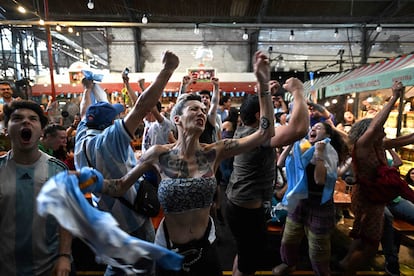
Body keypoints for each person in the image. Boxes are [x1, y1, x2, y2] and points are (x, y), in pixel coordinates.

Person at [76, 51, 275, 275]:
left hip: (205, 251)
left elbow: (265, 133)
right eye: (194, 109)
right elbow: (121, 185)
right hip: (169, 253)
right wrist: (93, 182)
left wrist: (263, 84)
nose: (201, 113)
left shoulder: (216, 152)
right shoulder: (158, 155)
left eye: (202, 110)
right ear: (177, 120)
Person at [74, 51, 179, 276]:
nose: (117, 119)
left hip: (104, 219)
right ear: (109, 124)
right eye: (114, 118)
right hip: (131, 220)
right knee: (146, 266)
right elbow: (141, 107)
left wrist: (88, 88)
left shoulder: (82, 136)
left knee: (117, 264)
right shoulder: (110, 139)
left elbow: (84, 110)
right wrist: (167, 70)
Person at [226, 77, 310, 276]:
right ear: (259, 115)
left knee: (244, 252)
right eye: (270, 108)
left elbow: (261, 114)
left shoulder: (243, 127)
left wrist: (264, 94)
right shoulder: (260, 136)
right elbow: (299, 129)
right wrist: (298, 91)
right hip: (246, 211)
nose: (274, 112)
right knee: (249, 263)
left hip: (238, 204)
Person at [338, 81, 414, 275]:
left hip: (374, 199)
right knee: (369, 246)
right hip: (367, 200)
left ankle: (345, 267)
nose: (384, 131)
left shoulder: (378, 145)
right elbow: (374, 127)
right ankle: (348, 268)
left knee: (362, 240)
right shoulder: (363, 146)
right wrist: (395, 96)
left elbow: (408, 139)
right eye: (381, 129)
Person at [0, 100, 72, 275]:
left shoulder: (57, 170)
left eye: (33, 118)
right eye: (17, 118)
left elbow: (66, 217)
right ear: (6, 130)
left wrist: (64, 256)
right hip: (7, 267)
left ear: (41, 132)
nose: (26, 122)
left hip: (50, 267)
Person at [272, 122, 348, 276]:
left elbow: (320, 180)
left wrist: (319, 154)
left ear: (327, 136)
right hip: (300, 201)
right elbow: (280, 163)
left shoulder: (329, 153)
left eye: (318, 128)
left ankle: (322, 272)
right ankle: (288, 264)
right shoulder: (303, 148)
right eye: (312, 128)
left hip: (320, 204)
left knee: (318, 246)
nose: (313, 129)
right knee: (289, 239)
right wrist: (291, 144)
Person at [382, 166, 414, 276]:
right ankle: (391, 261)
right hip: (377, 198)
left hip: (395, 199)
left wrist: (391, 150)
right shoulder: (368, 153)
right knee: (387, 219)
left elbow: (398, 163)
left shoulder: (388, 153)